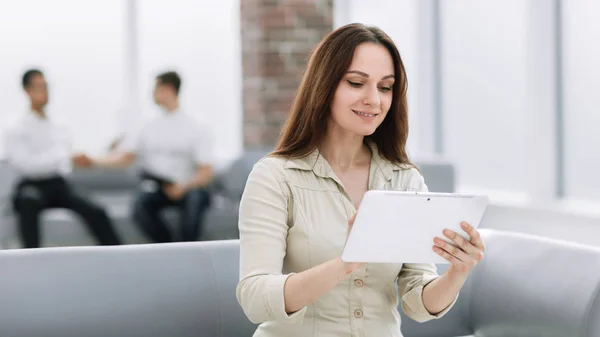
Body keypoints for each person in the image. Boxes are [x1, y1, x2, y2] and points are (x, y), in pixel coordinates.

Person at [236, 23, 486, 337]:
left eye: (385, 87)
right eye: (356, 83)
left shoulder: (405, 180)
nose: (374, 99)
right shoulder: (274, 177)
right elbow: (255, 299)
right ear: (324, 87)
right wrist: (346, 262)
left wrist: (457, 272)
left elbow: (417, 303)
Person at [82, 71, 214, 243]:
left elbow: (206, 171)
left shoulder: (196, 125)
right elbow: (125, 157)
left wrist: (183, 187)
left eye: (155, 88)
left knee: (195, 201)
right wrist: (93, 160)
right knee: (140, 205)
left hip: (188, 187)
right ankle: (168, 247)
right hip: (160, 188)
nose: (152, 94)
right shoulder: (148, 125)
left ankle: (187, 248)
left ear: (167, 89)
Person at [3, 69, 122, 248]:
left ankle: (118, 258)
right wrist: (62, 156)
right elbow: (28, 166)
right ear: (27, 90)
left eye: (46, 86)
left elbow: (68, 156)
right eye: (39, 87)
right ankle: (32, 263)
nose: (45, 91)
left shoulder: (59, 125)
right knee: (29, 202)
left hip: (58, 185)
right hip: (31, 185)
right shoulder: (15, 128)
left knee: (96, 210)